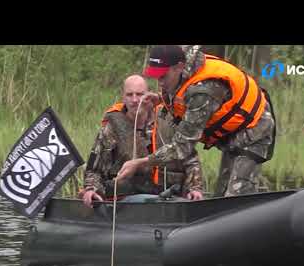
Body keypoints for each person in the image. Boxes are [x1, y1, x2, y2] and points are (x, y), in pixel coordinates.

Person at [116, 45, 276, 197]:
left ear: (178, 67)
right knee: (221, 194)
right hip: (231, 133)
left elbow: (182, 147)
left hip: (255, 130)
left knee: (236, 197)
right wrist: (159, 98)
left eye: (163, 76)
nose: (160, 82)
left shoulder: (203, 91)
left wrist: (141, 162)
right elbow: (183, 96)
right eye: (156, 76)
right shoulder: (182, 73)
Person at [80, 74, 204, 208]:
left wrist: (194, 188)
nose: (134, 100)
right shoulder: (111, 128)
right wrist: (91, 190)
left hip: (171, 198)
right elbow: (94, 170)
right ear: (123, 97)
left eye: (139, 94)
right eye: (129, 95)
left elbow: (190, 158)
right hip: (129, 202)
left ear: (149, 95)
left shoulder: (168, 120)